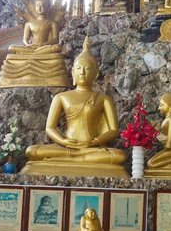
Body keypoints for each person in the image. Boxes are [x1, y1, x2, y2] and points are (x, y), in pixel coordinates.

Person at [22, 37, 128, 178]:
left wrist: (94, 142)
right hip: (66, 147)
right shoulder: (61, 97)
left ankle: (66, 160)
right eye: (79, 68)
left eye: (87, 68)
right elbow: (50, 128)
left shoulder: (103, 99)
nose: (82, 72)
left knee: (119, 155)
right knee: (32, 151)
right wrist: (63, 141)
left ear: (95, 74)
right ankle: (76, 158)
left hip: (92, 148)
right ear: (72, 73)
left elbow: (114, 130)